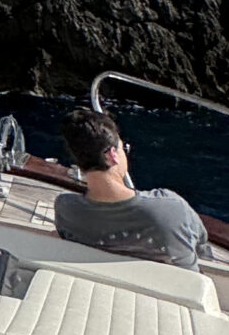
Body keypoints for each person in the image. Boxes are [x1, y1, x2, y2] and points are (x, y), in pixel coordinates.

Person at [52, 108, 212, 270]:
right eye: (124, 149)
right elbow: (201, 247)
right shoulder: (172, 207)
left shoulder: (66, 208)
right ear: (112, 155)